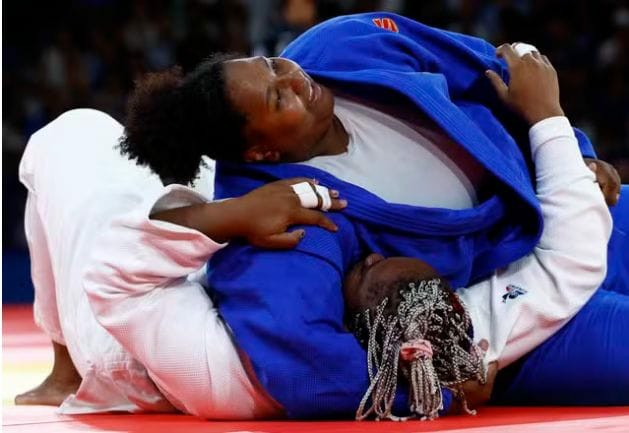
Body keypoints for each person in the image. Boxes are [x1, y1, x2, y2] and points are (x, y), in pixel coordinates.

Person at [16, 107, 346, 417]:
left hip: (143, 344)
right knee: (212, 156)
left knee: (73, 131)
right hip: (207, 300)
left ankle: (67, 374)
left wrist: (238, 213)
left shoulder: (230, 369)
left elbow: (118, 270)